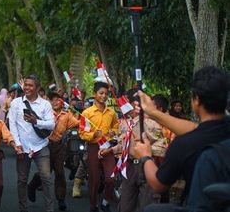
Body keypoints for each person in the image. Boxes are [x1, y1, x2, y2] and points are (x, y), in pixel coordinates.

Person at [134, 66, 230, 209]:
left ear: (196, 100)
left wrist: (145, 157)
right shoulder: (221, 131)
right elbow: (195, 128)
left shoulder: (184, 144)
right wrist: (152, 113)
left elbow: (158, 184)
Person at [110, 90, 167, 212]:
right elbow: (123, 145)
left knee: (147, 204)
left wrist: (147, 150)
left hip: (146, 166)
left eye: (126, 103)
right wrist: (110, 150)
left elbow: (162, 147)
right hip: (129, 167)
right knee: (125, 204)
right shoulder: (124, 124)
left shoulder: (152, 124)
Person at [8, 75, 56, 212]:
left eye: (31, 85)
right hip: (22, 147)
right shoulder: (16, 103)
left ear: (38, 88)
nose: (27, 87)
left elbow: (52, 125)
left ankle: (50, 209)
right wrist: (17, 144)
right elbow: (12, 125)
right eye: (26, 85)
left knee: (46, 178)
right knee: (22, 180)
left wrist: (36, 122)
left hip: (41, 146)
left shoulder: (45, 104)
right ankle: (23, 208)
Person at [28, 92, 80, 211]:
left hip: (59, 146)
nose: (55, 102)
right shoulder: (45, 113)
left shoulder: (67, 115)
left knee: (60, 173)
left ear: (62, 101)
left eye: (57, 100)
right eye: (52, 100)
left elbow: (77, 124)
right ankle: (32, 185)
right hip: (45, 145)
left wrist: (84, 117)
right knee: (46, 172)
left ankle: (61, 199)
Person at [79, 81, 119, 212]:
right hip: (93, 148)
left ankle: (106, 201)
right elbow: (82, 133)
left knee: (111, 178)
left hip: (107, 147)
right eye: (101, 93)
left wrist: (114, 131)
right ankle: (92, 206)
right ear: (94, 94)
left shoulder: (111, 112)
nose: (103, 96)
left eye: (106, 94)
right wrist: (93, 134)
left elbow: (116, 126)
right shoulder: (87, 113)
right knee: (94, 180)